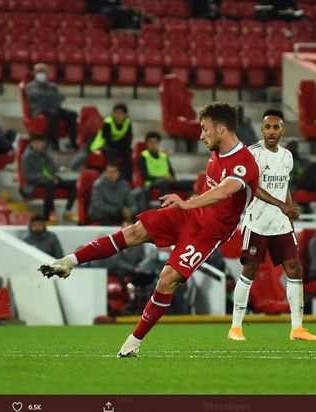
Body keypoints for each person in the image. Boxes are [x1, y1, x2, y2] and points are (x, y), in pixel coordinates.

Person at [38, 102, 260, 357]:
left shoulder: (244, 162)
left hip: (210, 230)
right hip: (191, 213)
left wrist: (187, 202)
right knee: (134, 231)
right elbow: (248, 185)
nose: (201, 136)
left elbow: (226, 190)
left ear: (221, 129)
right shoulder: (219, 152)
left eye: (204, 129)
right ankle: (69, 261)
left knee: (167, 279)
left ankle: (132, 343)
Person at [229, 109, 316, 341]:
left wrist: (288, 210)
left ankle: (297, 328)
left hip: (280, 223)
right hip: (257, 222)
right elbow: (251, 186)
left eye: (276, 127)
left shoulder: (287, 156)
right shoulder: (253, 154)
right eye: (267, 127)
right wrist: (282, 205)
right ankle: (235, 327)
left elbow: (284, 186)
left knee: (294, 269)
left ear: (282, 129)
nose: (271, 131)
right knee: (249, 271)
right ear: (261, 129)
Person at [21, 134, 77, 223]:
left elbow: (54, 169)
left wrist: (56, 177)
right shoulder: (27, 157)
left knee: (75, 183)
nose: (38, 145)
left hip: (50, 179)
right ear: (32, 144)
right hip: (36, 182)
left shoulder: (46, 154)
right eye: (35, 143)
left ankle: (68, 210)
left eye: (40, 143)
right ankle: (49, 214)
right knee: (49, 184)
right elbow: (28, 176)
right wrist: (46, 178)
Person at [25, 63, 78, 151]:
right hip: (40, 109)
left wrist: (46, 96)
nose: (41, 73)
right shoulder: (30, 86)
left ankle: (73, 142)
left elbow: (61, 97)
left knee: (72, 114)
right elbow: (36, 96)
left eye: (43, 71)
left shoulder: (52, 85)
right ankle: (53, 143)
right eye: (39, 71)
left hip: (55, 107)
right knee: (54, 113)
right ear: (34, 73)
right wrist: (52, 96)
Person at [75, 103, 133, 179]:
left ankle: (126, 176)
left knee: (129, 151)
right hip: (102, 144)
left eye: (120, 113)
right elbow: (108, 140)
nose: (118, 116)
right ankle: (110, 174)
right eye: (116, 113)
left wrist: (124, 146)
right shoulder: (108, 122)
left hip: (117, 144)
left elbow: (128, 138)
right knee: (110, 151)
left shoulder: (127, 123)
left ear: (125, 115)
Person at [138, 131, 195, 197]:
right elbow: (145, 176)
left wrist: (172, 178)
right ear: (147, 144)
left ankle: (191, 204)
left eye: (155, 142)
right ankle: (164, 206)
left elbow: (171, 172)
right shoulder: (144, 156)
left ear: (158, 143)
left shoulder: (163, 155)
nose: (153, 144)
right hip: (152, 183)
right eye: (151, 142)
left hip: (167, 181)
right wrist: (164, 178)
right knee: (163, 182)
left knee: (192, 183)